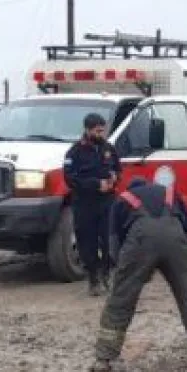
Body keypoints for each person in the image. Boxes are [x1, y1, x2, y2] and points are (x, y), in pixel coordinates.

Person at [92, 177, 187, 372]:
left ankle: (103, 359)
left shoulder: (122, 200)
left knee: (121, 298)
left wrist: (127, 270)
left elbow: (114, 243)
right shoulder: (170, 193)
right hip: (175, 238)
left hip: (140, 241)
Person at [63, 113, 121, 295]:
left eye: (103, 130)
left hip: (107, 204)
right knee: (86, 243)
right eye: (98, 131)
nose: (101, 134)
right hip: (85, 204)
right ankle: (93, 279)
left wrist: (115, 178)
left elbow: (118, 168)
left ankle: (106, 275)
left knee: (109, 241)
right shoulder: (74, 152)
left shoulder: (109, 149)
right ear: (87, 130)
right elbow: (70, 179)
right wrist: (96, 185)